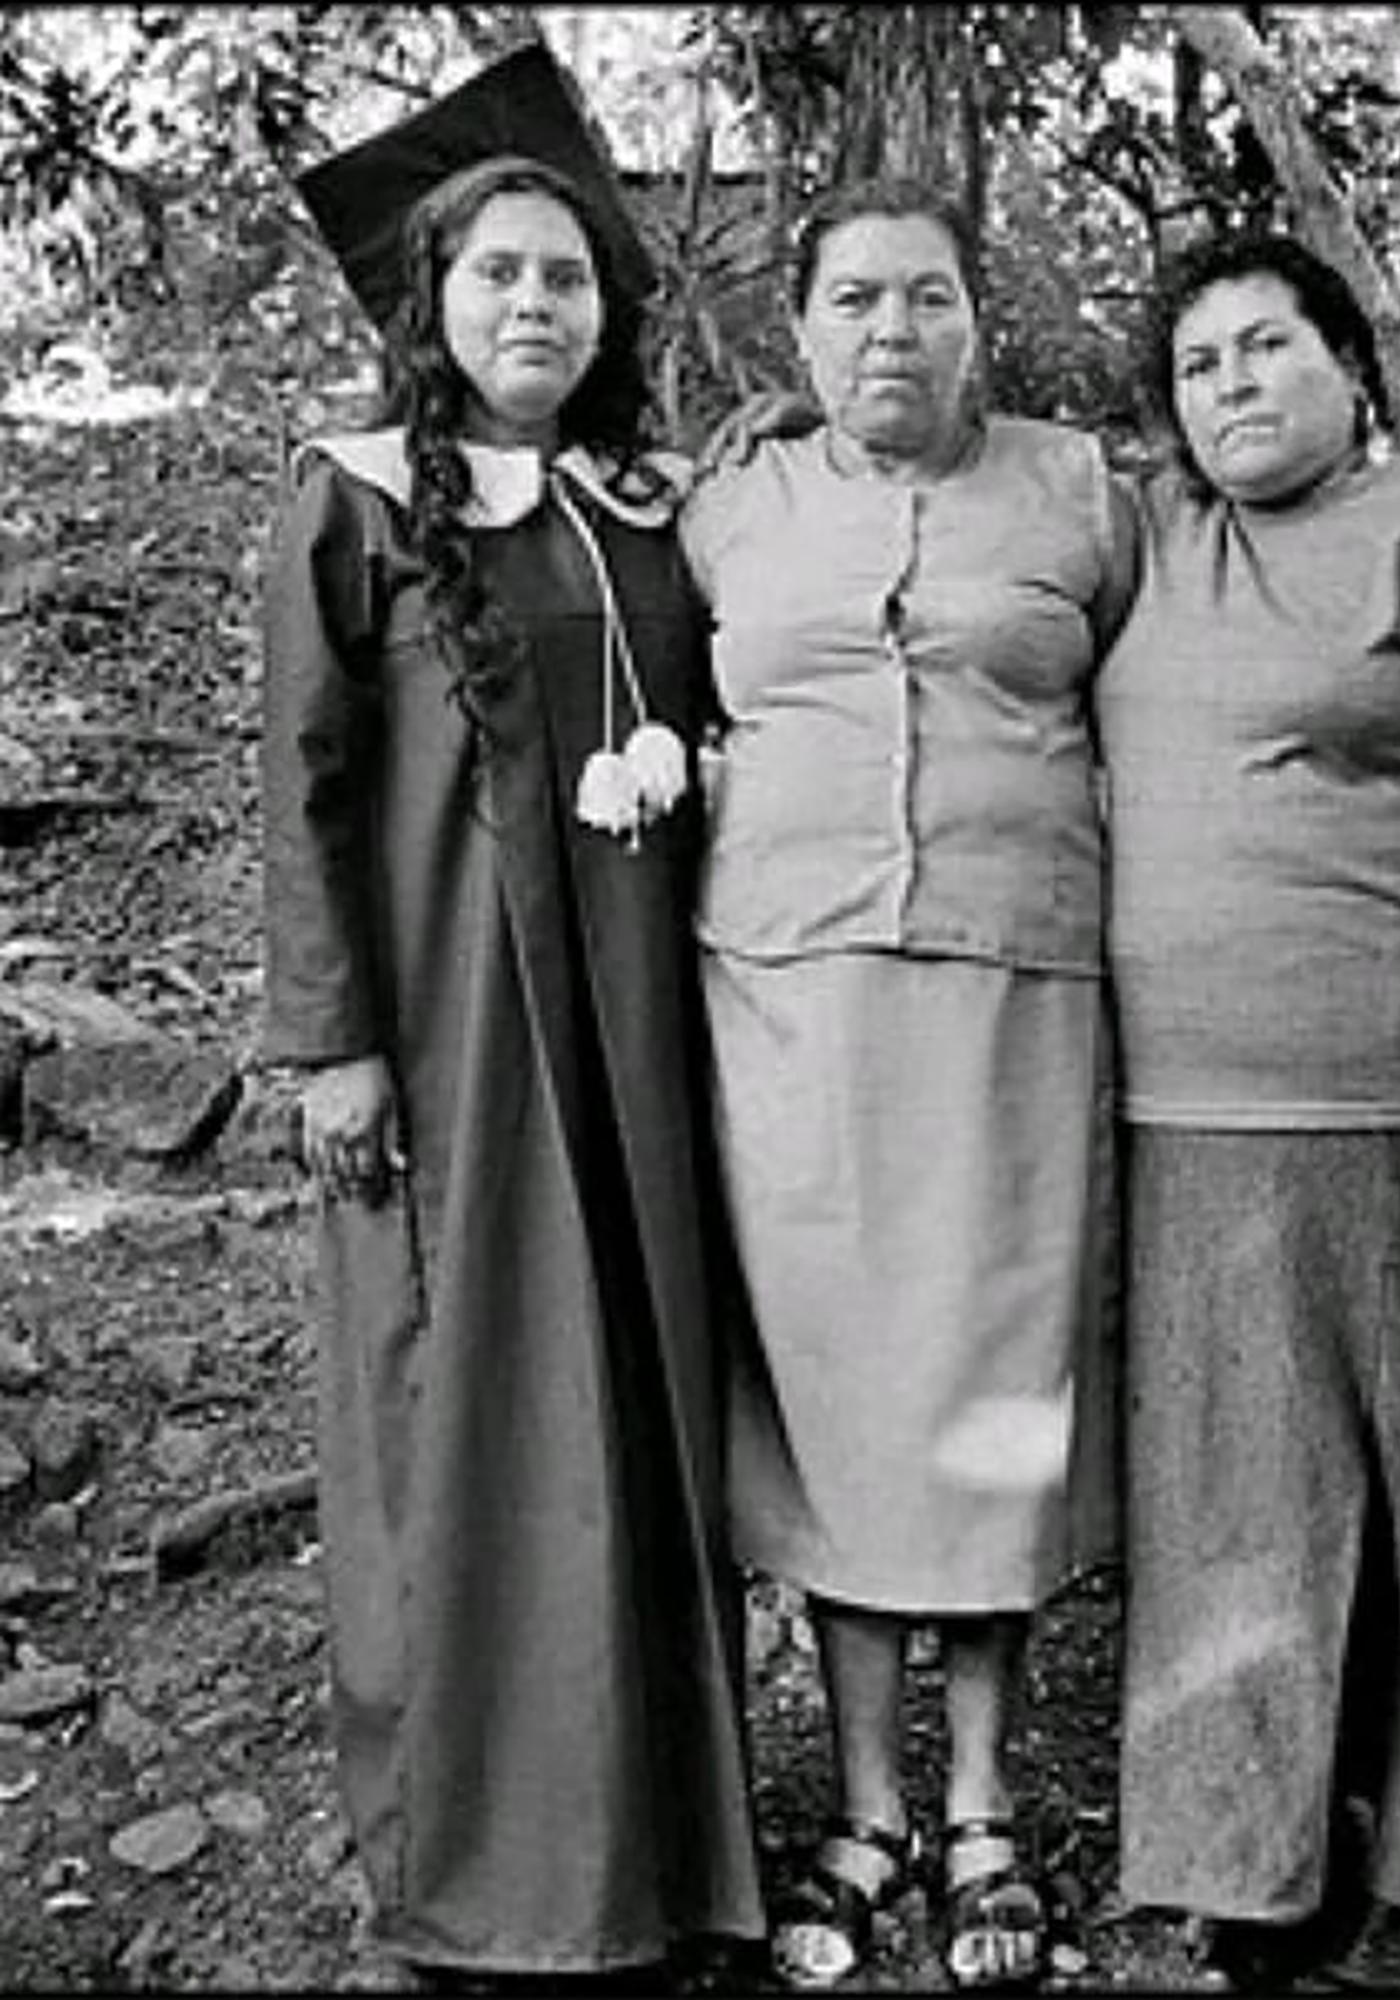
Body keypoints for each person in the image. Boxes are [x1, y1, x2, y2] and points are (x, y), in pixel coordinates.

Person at [259, 45, 764, 1989]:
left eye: (565, 275)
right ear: (432, 305)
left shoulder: (656, 502)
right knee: (465, 1415)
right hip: (458, 1040)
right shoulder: (360, 499)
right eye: (496, 278)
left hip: (645, 1036)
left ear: (607, 304)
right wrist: (334, 1039)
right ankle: (480, 1880)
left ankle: (662, 1863)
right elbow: (300, 785)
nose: (534, 305)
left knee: (640, 1411)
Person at [1096, 232, 1400, 1992]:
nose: (1231, 385)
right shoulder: (1151, 546)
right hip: (1183, 1120)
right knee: (1236, 1515)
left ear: (1349, 362)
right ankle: (1256, 1882)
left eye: (1264, 348)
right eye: (1198, 365)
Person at [677, 176, 1137, 1991]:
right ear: (799, 332)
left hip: (1017, 995)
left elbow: (1174, 698)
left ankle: (983, 1806)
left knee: (991, 1384)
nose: (894, 331)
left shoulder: (1085, 495)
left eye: (929, 299)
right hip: (785, 1004)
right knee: (840, 1396)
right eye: (857, 300)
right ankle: (868, 1806)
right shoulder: (728, 507)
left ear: (979, 323)